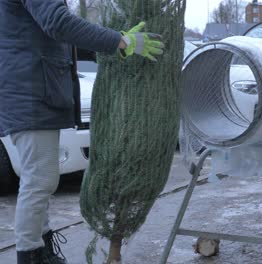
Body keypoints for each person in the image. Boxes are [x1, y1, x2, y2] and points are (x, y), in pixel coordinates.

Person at [0, 0, 164, 263]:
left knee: (40, 178)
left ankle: (41, 250)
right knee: (39, 179)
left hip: (34, 91)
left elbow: (54, 34)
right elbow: (59, 23)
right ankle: (30, 255)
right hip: (29, 94)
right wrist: (120, 41)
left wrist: (111, 44)